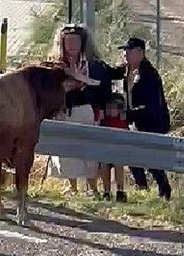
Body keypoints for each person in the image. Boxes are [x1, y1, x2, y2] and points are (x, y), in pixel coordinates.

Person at [46, 24, 126, 198]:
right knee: (66, 152)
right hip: (64, 112)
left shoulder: (94, 65)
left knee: (89, 152)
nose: (72, 45)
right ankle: (73, 187)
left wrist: (97, 104)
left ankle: (93, 188)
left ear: (82, 43)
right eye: (68, 41)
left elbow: (104, 88)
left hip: (87, 111)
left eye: (76, 41)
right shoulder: (56, 67)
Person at [117, 37, 172, 201]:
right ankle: (143, 187)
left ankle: (164, 190)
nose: (125, 54)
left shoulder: (149, 75)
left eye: (129, 51)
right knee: (133, 157)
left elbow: (152, 106)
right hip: (138, 123)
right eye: (125, 51)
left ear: (140, 53)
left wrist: (129, 114)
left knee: (152, 161)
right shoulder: (128, 71)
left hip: (153, 123)